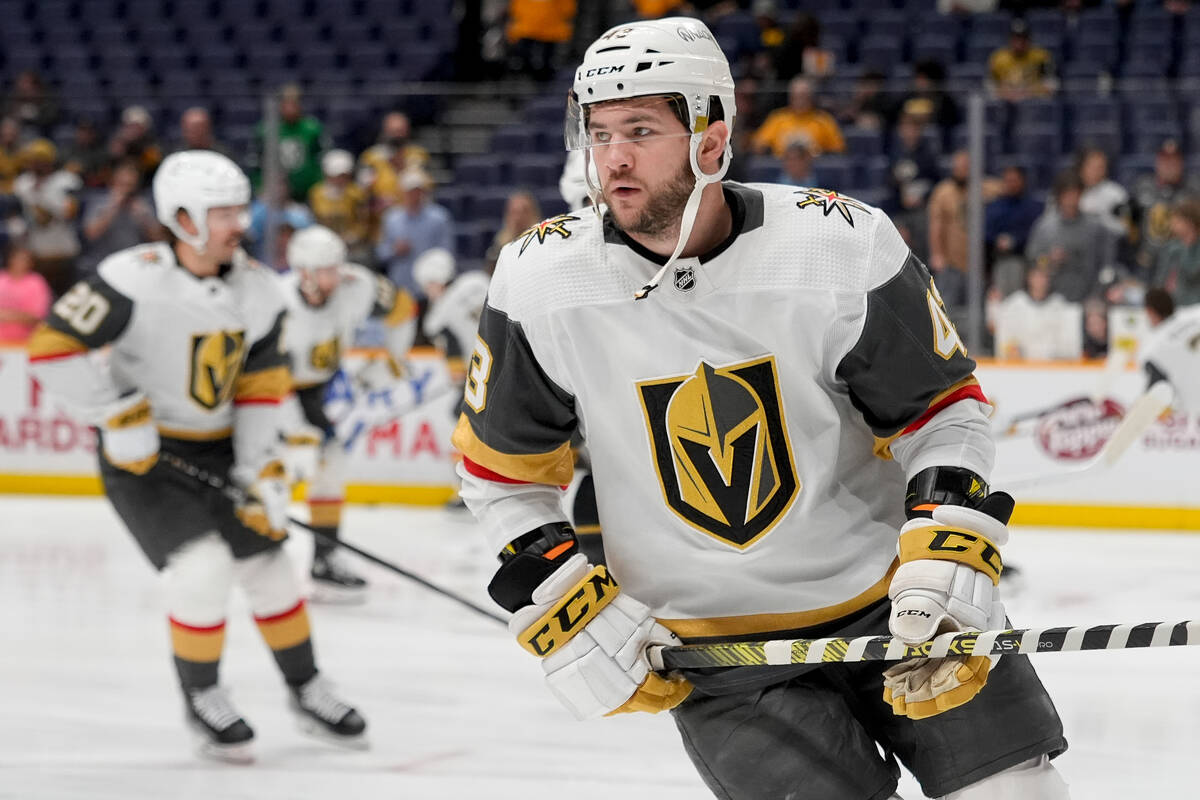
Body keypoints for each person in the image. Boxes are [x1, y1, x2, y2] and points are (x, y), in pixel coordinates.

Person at [453, 18, 1069, 800]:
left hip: (896, 605)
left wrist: (945, 546)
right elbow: (499, 470)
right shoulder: (540, 280)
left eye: (641, 129)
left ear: (712, 138)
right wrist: (558, 589)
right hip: (720, 655)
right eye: (600, 131)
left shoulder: (840, 245)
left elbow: (939, 410)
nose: (613, 158)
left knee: (1016, 792)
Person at [26, 151, 367, 762]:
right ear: (182, 218)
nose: (240, 224)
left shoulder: (260, 289)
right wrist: (115, 411)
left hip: (220, 449)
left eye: (240, 210)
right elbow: (52, 349)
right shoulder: (131, 276)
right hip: (144, 461)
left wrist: (259, 467)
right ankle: (203, 696)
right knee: (202, 571)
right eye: (224, 213)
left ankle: (305, 685)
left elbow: (262, 383)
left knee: (268, 569)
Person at [277, 224, 421, 601]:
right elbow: (256, 373)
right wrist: (292, 426)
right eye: (326, 269)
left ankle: (323, 558)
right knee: (279, 471)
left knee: (330, 469)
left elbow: (404, 309)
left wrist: (394, 357)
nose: (336, 276)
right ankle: (254, 551)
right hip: (273, 392)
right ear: (304, 273)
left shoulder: (358, 284)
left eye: (337, 266)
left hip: (324, 385)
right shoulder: (276, 303)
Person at [374, 168, 454, 296]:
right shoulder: (391, 219)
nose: (414, 195)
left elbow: (447, 253)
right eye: (410, 191)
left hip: (429, 288)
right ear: (402, 192)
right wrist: (395, 250)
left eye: (418, 191)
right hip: (400, 289)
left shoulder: (439, 218)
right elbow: (381, 253)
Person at [80, 159, 164, 274]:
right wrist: (113, 208)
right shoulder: (98, 202)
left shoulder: (143, 205)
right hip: (102, 264)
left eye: (130, 186)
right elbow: (91, 234)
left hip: (134, 265)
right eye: (122, 184)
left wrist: (144, 217)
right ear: (113, 182)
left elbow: (159, 239)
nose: (126, 190)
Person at [750, 76, 845, 158]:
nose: (800, 101)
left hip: (814, 173)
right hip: (781, 172)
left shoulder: (823, 120)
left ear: (811, 97)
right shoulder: (777, 118)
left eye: (803, 96)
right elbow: (758, 146)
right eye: (796, 96)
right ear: (790, 97)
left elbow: (838, 150)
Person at [1140, 288, 1200, 414]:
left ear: (1150, 312)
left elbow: (1156, 395)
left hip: (1194, 417)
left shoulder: (1153, 350)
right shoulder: (1197, 313)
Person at [0, 245, 51, 343]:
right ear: (10, 260)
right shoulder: (1, 278)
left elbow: (37, 317)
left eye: (25, 259)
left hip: (25, 341)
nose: (20, 262)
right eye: (17, 259)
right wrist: (19, 315)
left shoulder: (37, 282)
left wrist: (6, 315)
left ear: (31, 263)